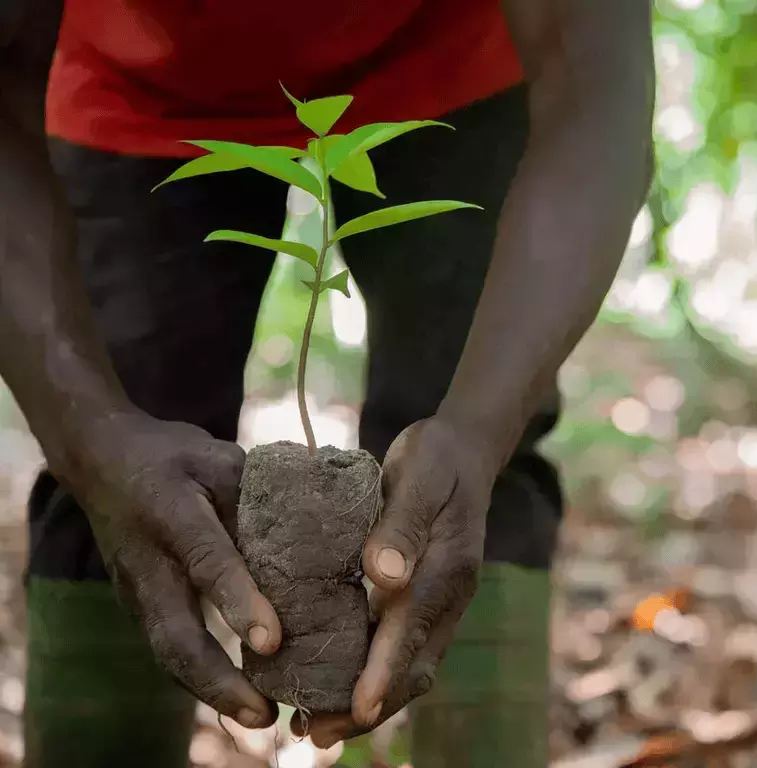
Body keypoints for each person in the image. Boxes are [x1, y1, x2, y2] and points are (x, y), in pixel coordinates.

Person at [0, 1, 654, 766]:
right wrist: (89, 441)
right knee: (117, 489)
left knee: (464, 488)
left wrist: (480, 432)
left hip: (454, 56)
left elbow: (599, 88)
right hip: (133, 82)